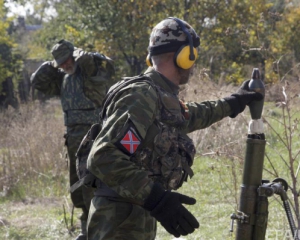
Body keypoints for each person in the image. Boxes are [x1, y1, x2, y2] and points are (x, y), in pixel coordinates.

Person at [86, 17, 263, 240]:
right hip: (118, 222)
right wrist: (157, 199)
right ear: (185, 56)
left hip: (131, 215)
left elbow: (189, 116)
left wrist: (234, 102)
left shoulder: (158, 95)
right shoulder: (141, 95)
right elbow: (103, 156)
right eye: (194, 55)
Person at [30, 39, 115, 240]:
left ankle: (101, 230)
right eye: (60, 63)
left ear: (73, 56)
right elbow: (37, 82)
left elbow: (92, 61)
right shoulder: (63, 79)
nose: (65, 65)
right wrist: (52, 64)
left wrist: (76, 54)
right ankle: (87, 229)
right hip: (73, 138)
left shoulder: (88, 69)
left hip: (93, 134)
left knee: (92, 182)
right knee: (77, 183)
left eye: (66, 60)